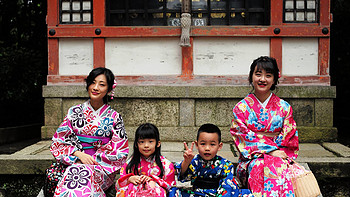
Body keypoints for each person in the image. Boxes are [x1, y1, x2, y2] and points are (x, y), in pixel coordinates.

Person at [50, 67, 129, 196]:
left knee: (81, 174)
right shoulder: (74, 112)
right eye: (93, 82)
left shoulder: (114, 117)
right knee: (76, 172)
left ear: (109, 90)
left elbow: (120, 150)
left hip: (101, 168)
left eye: (101, 84)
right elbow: (58, 141)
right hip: (74, 162)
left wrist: (91, 161)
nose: (95, 87)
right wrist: (78, 155)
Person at [230, 56, 299, 197]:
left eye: (268, 75)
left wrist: (274, 154)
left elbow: (289, 137)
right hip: (251, 159)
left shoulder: (284, 107)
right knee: (259, 166)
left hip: (279, 156)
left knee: (277, 166)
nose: (262, 79)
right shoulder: (241, 108)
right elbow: (242, 137)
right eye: (258, 74)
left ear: (274, 79)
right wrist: (270, 151)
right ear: (251, 77)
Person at [169, 123, 253, 197]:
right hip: (198, 194)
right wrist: (186, 161)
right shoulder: (194, 161)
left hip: (218, 193)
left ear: (219, 146)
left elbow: (227, 187)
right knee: (173, 192)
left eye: (212, 144)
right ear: (197, 145)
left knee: (246, 193)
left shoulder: (226, 165)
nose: (207, 148)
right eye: (203, 144)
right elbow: (182, 177)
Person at [116, 123, 176, 197]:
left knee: (154, 187)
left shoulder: (166, 164)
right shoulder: (130, 163)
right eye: (142, 142)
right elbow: (118, 186)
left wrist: (153, 180)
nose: (146, 145)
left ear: (158, 143)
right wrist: (130, 179)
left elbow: (171, 185)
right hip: (135, 194)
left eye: (150, 141)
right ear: (136, 144)